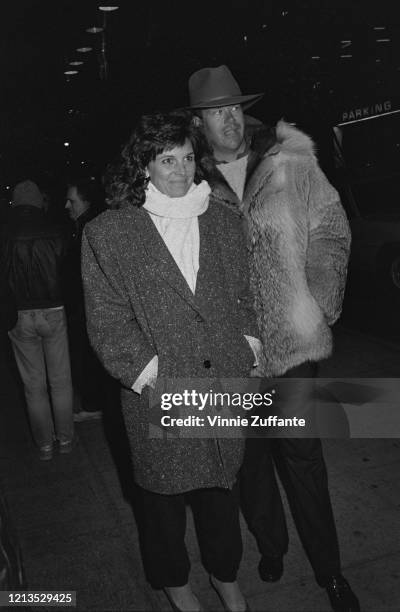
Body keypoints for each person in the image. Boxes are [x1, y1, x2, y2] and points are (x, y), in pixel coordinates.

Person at [187, 65, 359, 612]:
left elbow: (331, 228)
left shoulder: (290, 159)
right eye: (217, 111)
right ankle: (272, 545)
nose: (229, 119)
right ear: (199, 120)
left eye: (235, 108)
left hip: (291, 345)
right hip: (234, 353)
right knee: (251, 465)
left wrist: (322, 302)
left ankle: (331, 570)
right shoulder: (187, 180)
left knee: (303, 458)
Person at [82, 110, 259, 612]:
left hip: (221, 382)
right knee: (161, 504)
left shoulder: (223, 220)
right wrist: (148, 374)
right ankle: (175, 583)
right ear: (144, 167)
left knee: (221, 495)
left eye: (186, 158)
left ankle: (225, 575)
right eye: (167, 159)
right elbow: (107, 319)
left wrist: (248, 345)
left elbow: (245, 296)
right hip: (161, 391)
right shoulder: (109, 233)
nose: (180, 171)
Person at [1, 180, 74, 460]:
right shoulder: (56, 229)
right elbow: (67, 272)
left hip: (19, 315)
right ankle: (65, 440)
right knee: (61, 380)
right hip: (53, 310)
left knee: (33, 386)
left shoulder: (5, 233)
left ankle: (44, 445)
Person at [64, 178, 106, 422]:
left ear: (86, 201)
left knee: (89, 359)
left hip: (88, 310)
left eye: (72, 201)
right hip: (85, 308)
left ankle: (94, 404)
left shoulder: (89, 228)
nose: (66, 206)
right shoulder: (83, 225)